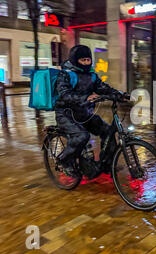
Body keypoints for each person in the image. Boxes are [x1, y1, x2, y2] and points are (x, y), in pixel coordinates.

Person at [55, 45, 128, 176]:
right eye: (83, 60)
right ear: (75, 60)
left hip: (85, 114)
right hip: (66, 115)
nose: (86, 63)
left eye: (88, 60)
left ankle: (106, 165)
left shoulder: (92, 75)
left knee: (108, 131)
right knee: (82, 136)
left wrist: (118, 94)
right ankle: (64, 161)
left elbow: (102, 88)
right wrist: (85, 97)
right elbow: (64, 94)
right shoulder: (65, 74)